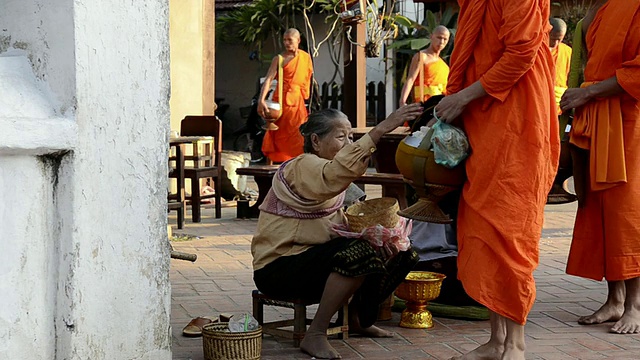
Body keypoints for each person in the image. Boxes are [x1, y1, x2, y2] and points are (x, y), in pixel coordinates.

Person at [433, 1, 560, 359]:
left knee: (511, 227)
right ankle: (496, 340)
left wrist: (462, 97)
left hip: (518, 117)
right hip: (484, 118)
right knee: (482, 227)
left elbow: (521, 53)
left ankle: (515, 343)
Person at [251, 104, 424, 359]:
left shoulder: (337, 180)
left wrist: (382, 239)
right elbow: (336, 172)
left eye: (351, 137)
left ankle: (357, 318)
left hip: (314, 263)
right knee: (359, 253)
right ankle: (316, 334)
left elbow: (344, 221)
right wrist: (383, 128)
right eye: (341, 136)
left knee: (402, 250)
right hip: (279, 268)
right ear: (316, 141)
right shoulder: (303, 166)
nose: (348, 143)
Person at [560, 0, 640, 335]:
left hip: (628, 120)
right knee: (597, 206)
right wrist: (581, 98)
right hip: (594, 118)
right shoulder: (599, 8)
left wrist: (587, 94)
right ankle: (615, 299)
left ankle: (635, 305)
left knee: (627, 210)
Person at [257, 28, 313, 163]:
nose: (287, 43)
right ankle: (272, 166)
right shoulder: (279, 59)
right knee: (276, 134)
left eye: (290, 40)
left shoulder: (305, 57)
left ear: (298, 41)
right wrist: (261, 99)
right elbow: (269, 79)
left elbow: (307, 78)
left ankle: (298, 165)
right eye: (284, 40)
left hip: (297, 104)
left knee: (298, 135)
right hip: (281, 103)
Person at [398, 26, 451, 106]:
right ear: (431, 36)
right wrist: (402, 102)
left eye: (445, 39)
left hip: (439, 108)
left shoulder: (444, 66)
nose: (441, 42)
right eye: (439, 38)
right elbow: (411, 79)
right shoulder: (422, 57)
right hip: (423, 106)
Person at [549, 18, 572, 114]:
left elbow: (571, 78)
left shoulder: (567, 51)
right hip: (539, 100)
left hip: (559, 106)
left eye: (559, 39)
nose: (555, 43)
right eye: (553, 39)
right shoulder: (536, 50)